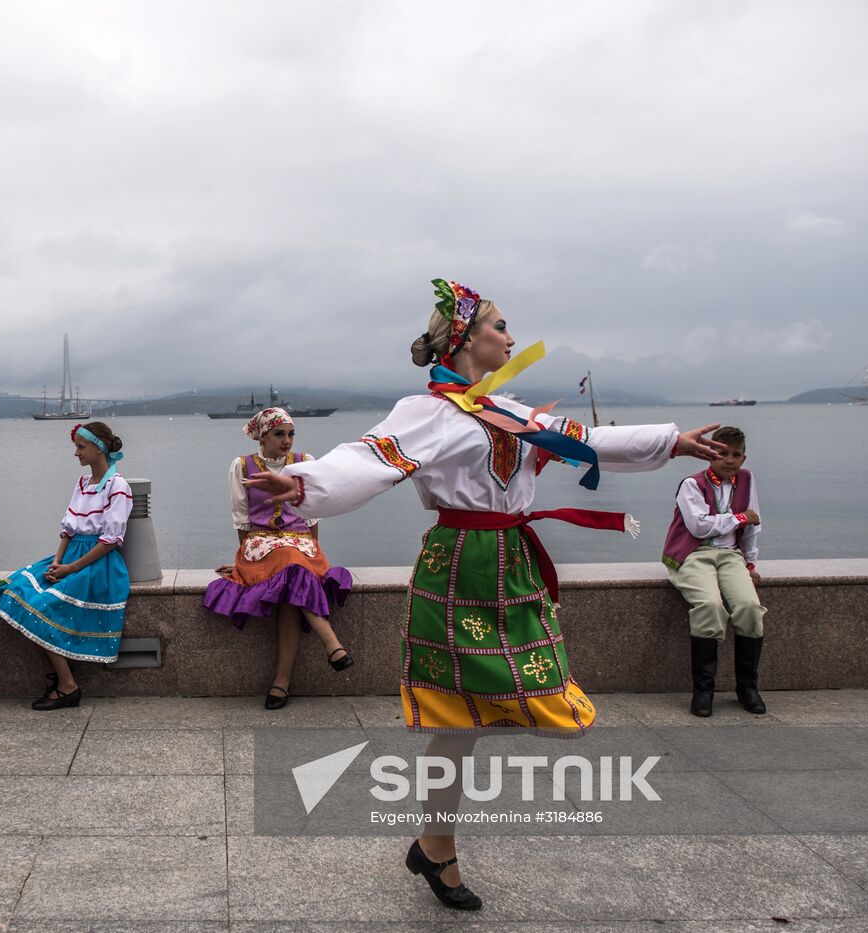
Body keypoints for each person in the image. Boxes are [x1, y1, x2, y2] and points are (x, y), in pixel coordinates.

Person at [244, 278, 725, 912]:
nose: (512, 338)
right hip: (461, 566)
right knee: (458, 716)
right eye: (500, 326)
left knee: (471, 717)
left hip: (510, 563)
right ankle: (437, 846)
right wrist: (303, 482)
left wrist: (672, 441)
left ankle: (432, 842)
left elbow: (583, 438)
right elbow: (369, 458)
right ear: (467, 338)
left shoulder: (506, 411)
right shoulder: (430, 412)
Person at [203, 407, 354, 709]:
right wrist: (246, 565)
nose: (287, 441)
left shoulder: (305, 463)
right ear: (262, 436)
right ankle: (331, 644)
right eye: (279, 434)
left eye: (290, 434)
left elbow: (312, 516)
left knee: (293, 575)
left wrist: (315, 562)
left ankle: (280, 683)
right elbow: (242, 520)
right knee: (290, 561)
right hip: (260, 542)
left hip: (301, 545)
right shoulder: (242, 466)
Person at [0, 421, 131, 710]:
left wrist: (71, 569)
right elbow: (67, 530)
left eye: (81, 447)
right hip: (71, 556)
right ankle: (61, 673)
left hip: (97, 563)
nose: (76, 453)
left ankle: (68, 685)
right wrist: (57, 561)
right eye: (76, 447)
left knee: (42, 606)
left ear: (99, 448)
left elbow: (110, 540)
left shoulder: (118, 486)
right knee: (16, 588)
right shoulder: (82, 483)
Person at [662, 425, 765, 717]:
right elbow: (699, 526)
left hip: (731, 554)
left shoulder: (746, 479)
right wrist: (740, 517)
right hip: (692, 553)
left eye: (736, 455)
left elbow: (753, 525)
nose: (729, 460)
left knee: (749, 607)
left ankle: (747, 687)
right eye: (722, 453)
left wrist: (751, 562)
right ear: (709, 453)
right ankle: (703, 690)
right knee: (709, 606)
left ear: (744, 458)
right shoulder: (691, 485)